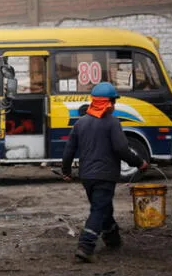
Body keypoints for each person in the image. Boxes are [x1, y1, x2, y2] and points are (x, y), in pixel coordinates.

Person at [62, 82, 148, 263]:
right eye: (113, 102)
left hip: (86, 176)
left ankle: (112, 239)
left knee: (103, 206)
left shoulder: (81, 123)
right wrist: (139, 162)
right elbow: (121, 148)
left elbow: (69, 150)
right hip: (105, 175)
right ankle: (85, 246)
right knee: (99, 209)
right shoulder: (112, 123)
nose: (114, 106)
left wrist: (66, 171)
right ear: (109, 103)